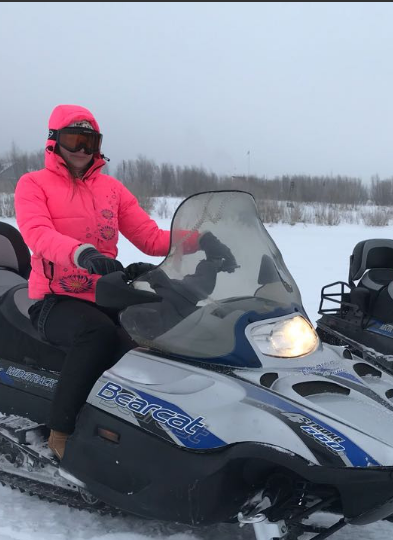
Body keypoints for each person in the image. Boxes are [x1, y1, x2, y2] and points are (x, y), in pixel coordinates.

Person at [14, 104, 234, 460]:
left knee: (163, 325)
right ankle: (60, 432)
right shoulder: (33, 184)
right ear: (54, 141)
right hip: (55, 298)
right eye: (74, 140)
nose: (83, 151)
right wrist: (83, 253)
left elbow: (149, 236)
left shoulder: (111, 189)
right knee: (98, 334)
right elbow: (38, 234)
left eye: (90, 142)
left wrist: (199, 240)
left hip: (107, 291)